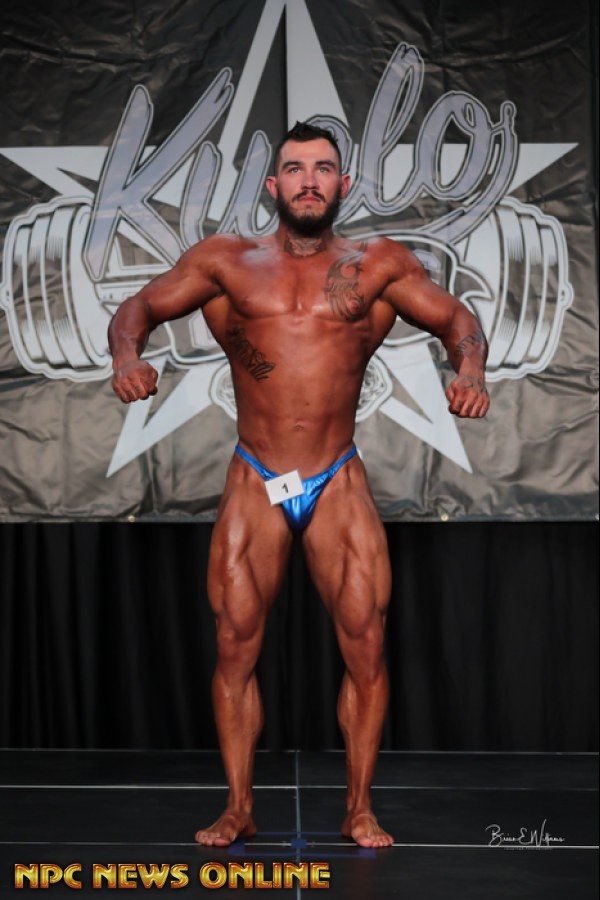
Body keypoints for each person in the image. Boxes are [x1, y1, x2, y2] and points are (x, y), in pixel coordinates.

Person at [108, 121, 489, 849]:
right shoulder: (226, 261)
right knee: (234, 644)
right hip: (258, 474)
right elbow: (141, 309)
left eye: (322, 169)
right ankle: (239, 806)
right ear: (272, 184)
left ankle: (359, 807)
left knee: (366, 644)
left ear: (343, 184)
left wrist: (469, 370)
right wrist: (127, 358)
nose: (309, 181)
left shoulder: (378, 263)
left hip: (335, 474)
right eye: (295, 168)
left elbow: (456, 319)